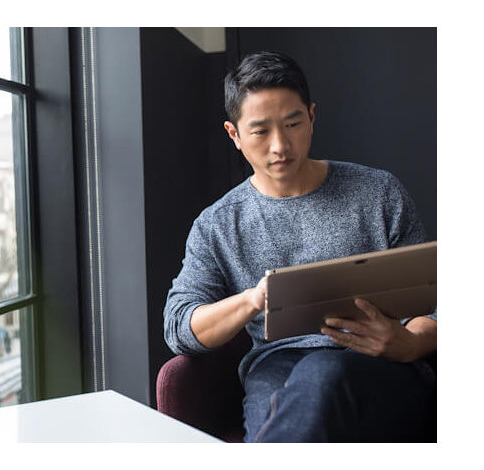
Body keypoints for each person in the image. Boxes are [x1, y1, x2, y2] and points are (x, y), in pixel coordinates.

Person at [163, 51, 437, 442]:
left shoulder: (378, 193)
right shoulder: (218, 224)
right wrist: (253, 300)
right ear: (234, 135)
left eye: (292, 123)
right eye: (260, 131)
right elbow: (179, 327)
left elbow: (440, 297)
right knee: (295, 389)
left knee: (318, 376)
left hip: (382, 363)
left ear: (311, 117)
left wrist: (410, 342)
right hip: (277, 367)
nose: (280, 145)